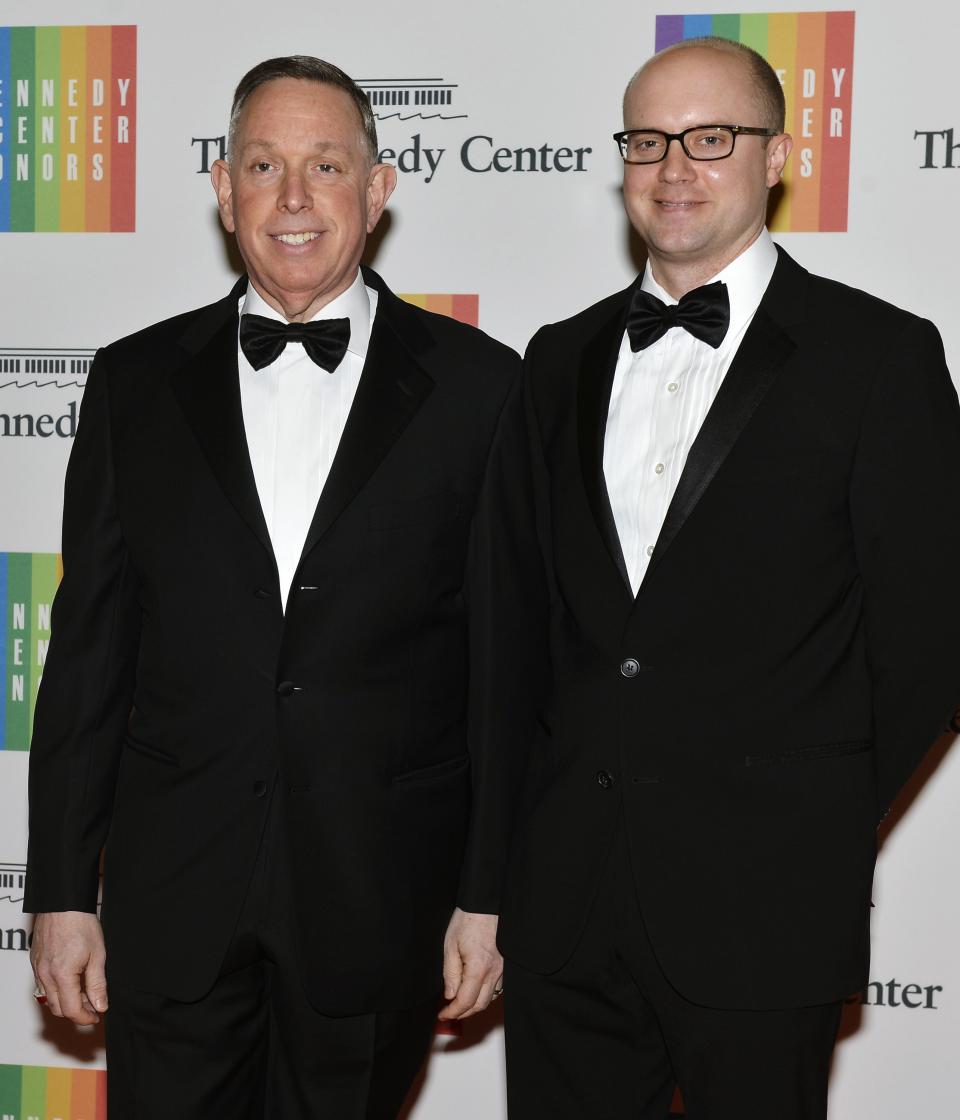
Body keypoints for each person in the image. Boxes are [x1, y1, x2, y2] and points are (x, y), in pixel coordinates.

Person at [25, 55, 542, 1119]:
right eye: (263, 165)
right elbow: (87, 658)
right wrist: (64, 891)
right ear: (223, 190)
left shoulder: (484, 389)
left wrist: (487, 895)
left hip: (378, 892)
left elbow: (506, 668)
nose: (294, 199)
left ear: (379, 187)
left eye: (325, 166)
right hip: (176, 897)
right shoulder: (133, 383)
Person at [498, 36, 960, 1120]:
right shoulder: (555, 358)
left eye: (712, 139)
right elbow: (525, 626)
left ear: (780, 155)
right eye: (649, 140)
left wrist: (808, 810)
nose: (674, 168)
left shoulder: (878, 357)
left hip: (768, 906)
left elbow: (930, 641)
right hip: (566, 906)